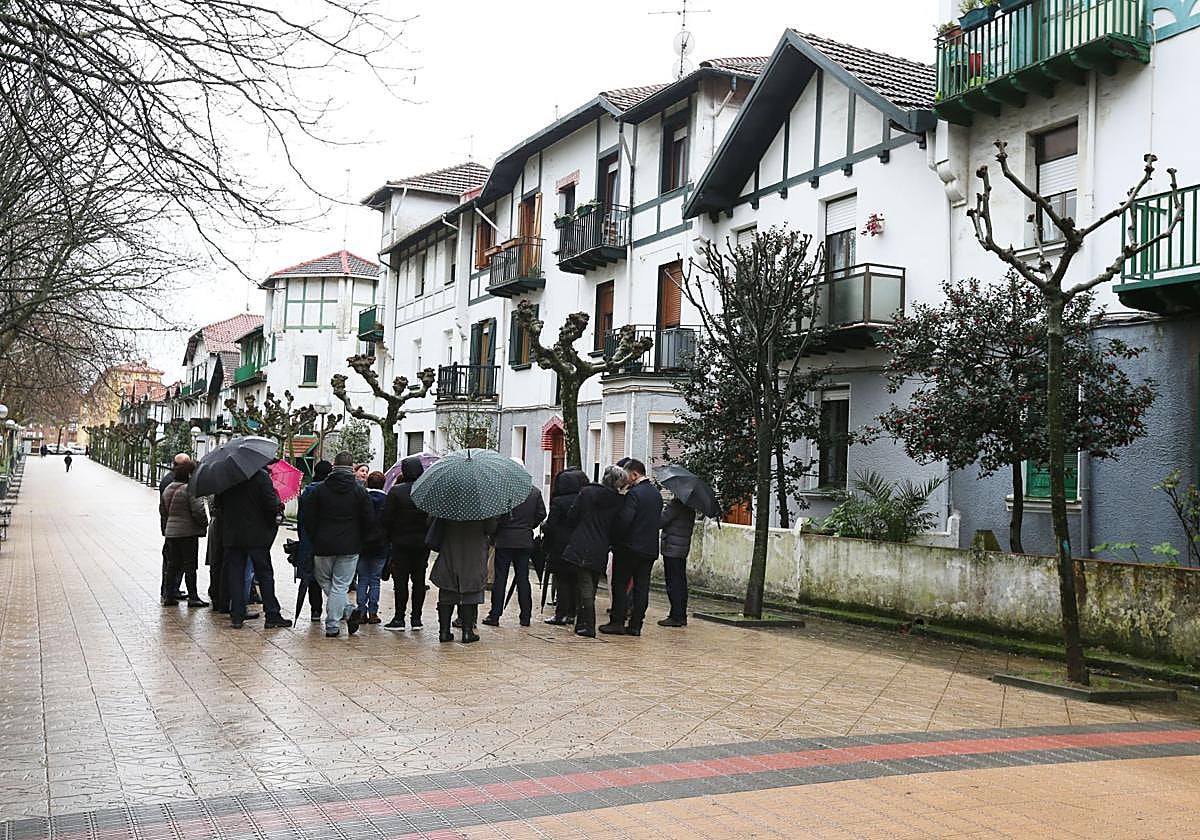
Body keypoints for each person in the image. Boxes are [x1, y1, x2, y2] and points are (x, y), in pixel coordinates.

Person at [305, 450, 376, 638]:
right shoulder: (359, 492)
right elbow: (369, 519)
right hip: (350, 545)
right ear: (352, 469)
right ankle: (346, 611)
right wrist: (362, 539)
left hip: (323, 544)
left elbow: (309, 519)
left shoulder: (319, 490)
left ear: (334, 466)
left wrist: (315, 537)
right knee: (340, 585)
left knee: (324, 580)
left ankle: (333, 624)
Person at [217, 460, 291, 629]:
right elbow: (271, 505)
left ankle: (237, 615)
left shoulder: (226, 479)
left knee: (235, 575)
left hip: (233, 536)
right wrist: (278, 507)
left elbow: (219, 504)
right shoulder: (261, 477)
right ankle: (272, 614)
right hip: (257, 537)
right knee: (264, 574)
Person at [563, 465, 628, 638]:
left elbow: (572, 516)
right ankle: (582, 623)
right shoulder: (619, 501)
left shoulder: (587, 493)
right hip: (601, 546)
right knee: (590, 583)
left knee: (584, 584)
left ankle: (588, 624)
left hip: (582, 543)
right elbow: (618, 526)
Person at [603, 458, 662, 637]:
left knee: (620, 584)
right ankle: (636, 624)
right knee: (642, 587)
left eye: (627, 475)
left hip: (629, 548)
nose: (625, 478)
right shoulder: (656, 494)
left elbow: (625, 521)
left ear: (635, 474)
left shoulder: (633, 494)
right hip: (649, 549)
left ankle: (617, 621)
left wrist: (615, 538)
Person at [483, 482, 545, 628]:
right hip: (524, 540)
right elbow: (541, 513)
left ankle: (495, 615)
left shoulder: (503, 491)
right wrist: (528, 525)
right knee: (523, 578)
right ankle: (525, 616)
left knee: (500, 578)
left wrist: (495, 533)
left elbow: (495, 517)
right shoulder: (534, 492)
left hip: (504, 540)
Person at [380, 455, 430, 630]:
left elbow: (386, 518)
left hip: (400, 543)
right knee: (419, 581)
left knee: (400, 582)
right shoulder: (427, 491)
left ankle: (399, 618)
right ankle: (416, 618)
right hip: (422, 543)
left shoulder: (396, 491)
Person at [430, 517, 498, 644]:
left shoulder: (446, 508)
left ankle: (444, 632)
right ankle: (467, 632)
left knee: (447, 592)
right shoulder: (481, 509)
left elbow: (434, 533)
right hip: (473, 556)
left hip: (450, 554)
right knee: (470, 593)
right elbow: (492, 528)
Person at [159, 459, 210, 607]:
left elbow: (163, 511)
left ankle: (169, 596)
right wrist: (204, 524)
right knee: (190, 565)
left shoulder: (168, 489)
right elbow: (198, 511)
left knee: (172, 565)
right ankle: (193, 597)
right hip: (187, 533)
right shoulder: (190, 490)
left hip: (171, 532)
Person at [541, 470, 588, 626]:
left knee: (562, 581)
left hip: (559, 546)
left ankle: (561, 613)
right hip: (577, 545)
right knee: (575, 580)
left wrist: (545, 529)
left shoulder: (559, 502)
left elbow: (552, 525)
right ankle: (573, 613)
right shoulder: (582, 499)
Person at [294, 459, 332, 622]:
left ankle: (315, 609)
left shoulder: (308, 491)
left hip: (310, 539)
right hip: (329, 539)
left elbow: (301, 518)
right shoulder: (331, 491)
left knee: (312, 577)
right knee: (333, 577)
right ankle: (338, 608)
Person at [355, 470, 390, 624]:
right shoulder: (387, 500)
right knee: (375, 580)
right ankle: (373, 612)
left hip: (362, 545)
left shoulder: (361, 499)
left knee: (362, 579)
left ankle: (361, 611)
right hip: (380, 546)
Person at [658, 497, 697, 627]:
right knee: (680, 582)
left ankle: (676, 616)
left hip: (672, 548)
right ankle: (681, 614)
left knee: (673, 582)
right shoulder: (691, 507)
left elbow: (661, 522)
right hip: (682, 549)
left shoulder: (675, 505)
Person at [159, 453, 192, 603]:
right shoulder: (181, 484)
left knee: (171, 561)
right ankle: (171, 590)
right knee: (177, 562)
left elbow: (163, 508)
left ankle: (168, 590)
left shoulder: (166, 479)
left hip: (170, 527)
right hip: (181, 529)